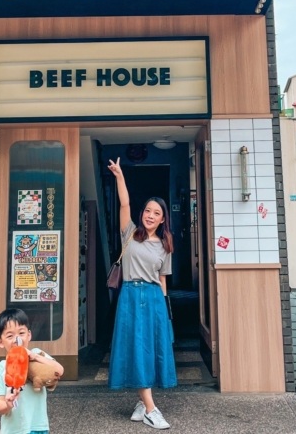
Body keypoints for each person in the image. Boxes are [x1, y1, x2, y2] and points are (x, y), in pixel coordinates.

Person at [107, 157, 176, 430]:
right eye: (148, 210)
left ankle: (141, 401)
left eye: (156, 213)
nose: (150, 215)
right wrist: (120, 176)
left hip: (154, 300)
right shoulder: (130, 234)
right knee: (134, 347)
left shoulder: (165, 246)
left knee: (148, 350)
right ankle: (150, 408)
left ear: (162, 219)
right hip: (130, 297)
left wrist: (166, 310)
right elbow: (124, 203)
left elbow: (162, 279)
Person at [0, 307, 64, 434]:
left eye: (21, 333)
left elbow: (59, 370)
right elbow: (0, 408)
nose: (17, 339)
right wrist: (8, 403)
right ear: (0, 342)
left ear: (29, 335)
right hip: (12, 430)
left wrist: (35, 357)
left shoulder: (37, 355)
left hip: (39, 427)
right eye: (10, 336)